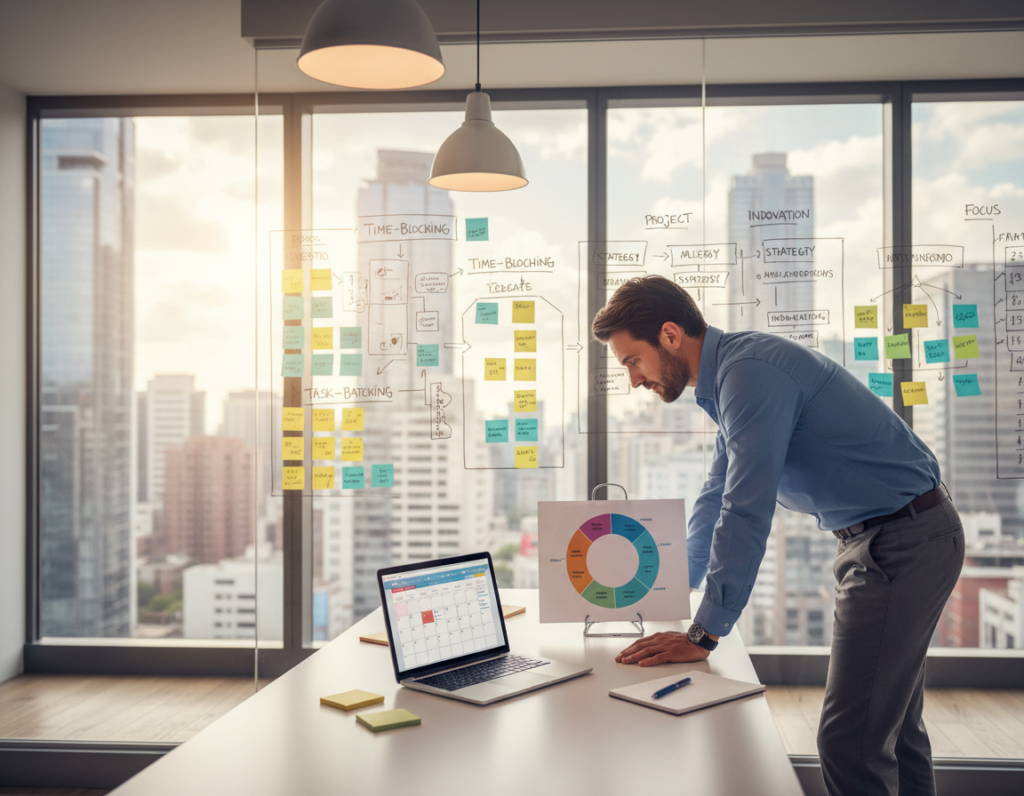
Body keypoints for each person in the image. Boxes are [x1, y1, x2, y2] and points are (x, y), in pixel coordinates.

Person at [591, 275, 964, 796]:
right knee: (894, 731)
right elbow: (715, 497)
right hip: (891, 538)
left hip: (903, 543)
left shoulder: (749, 373)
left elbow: (746, 510)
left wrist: (703, 635)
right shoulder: (729, 380)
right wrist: (670, 593)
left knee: (850, 742)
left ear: (670, 335)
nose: (633, 379)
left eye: (632, 360)